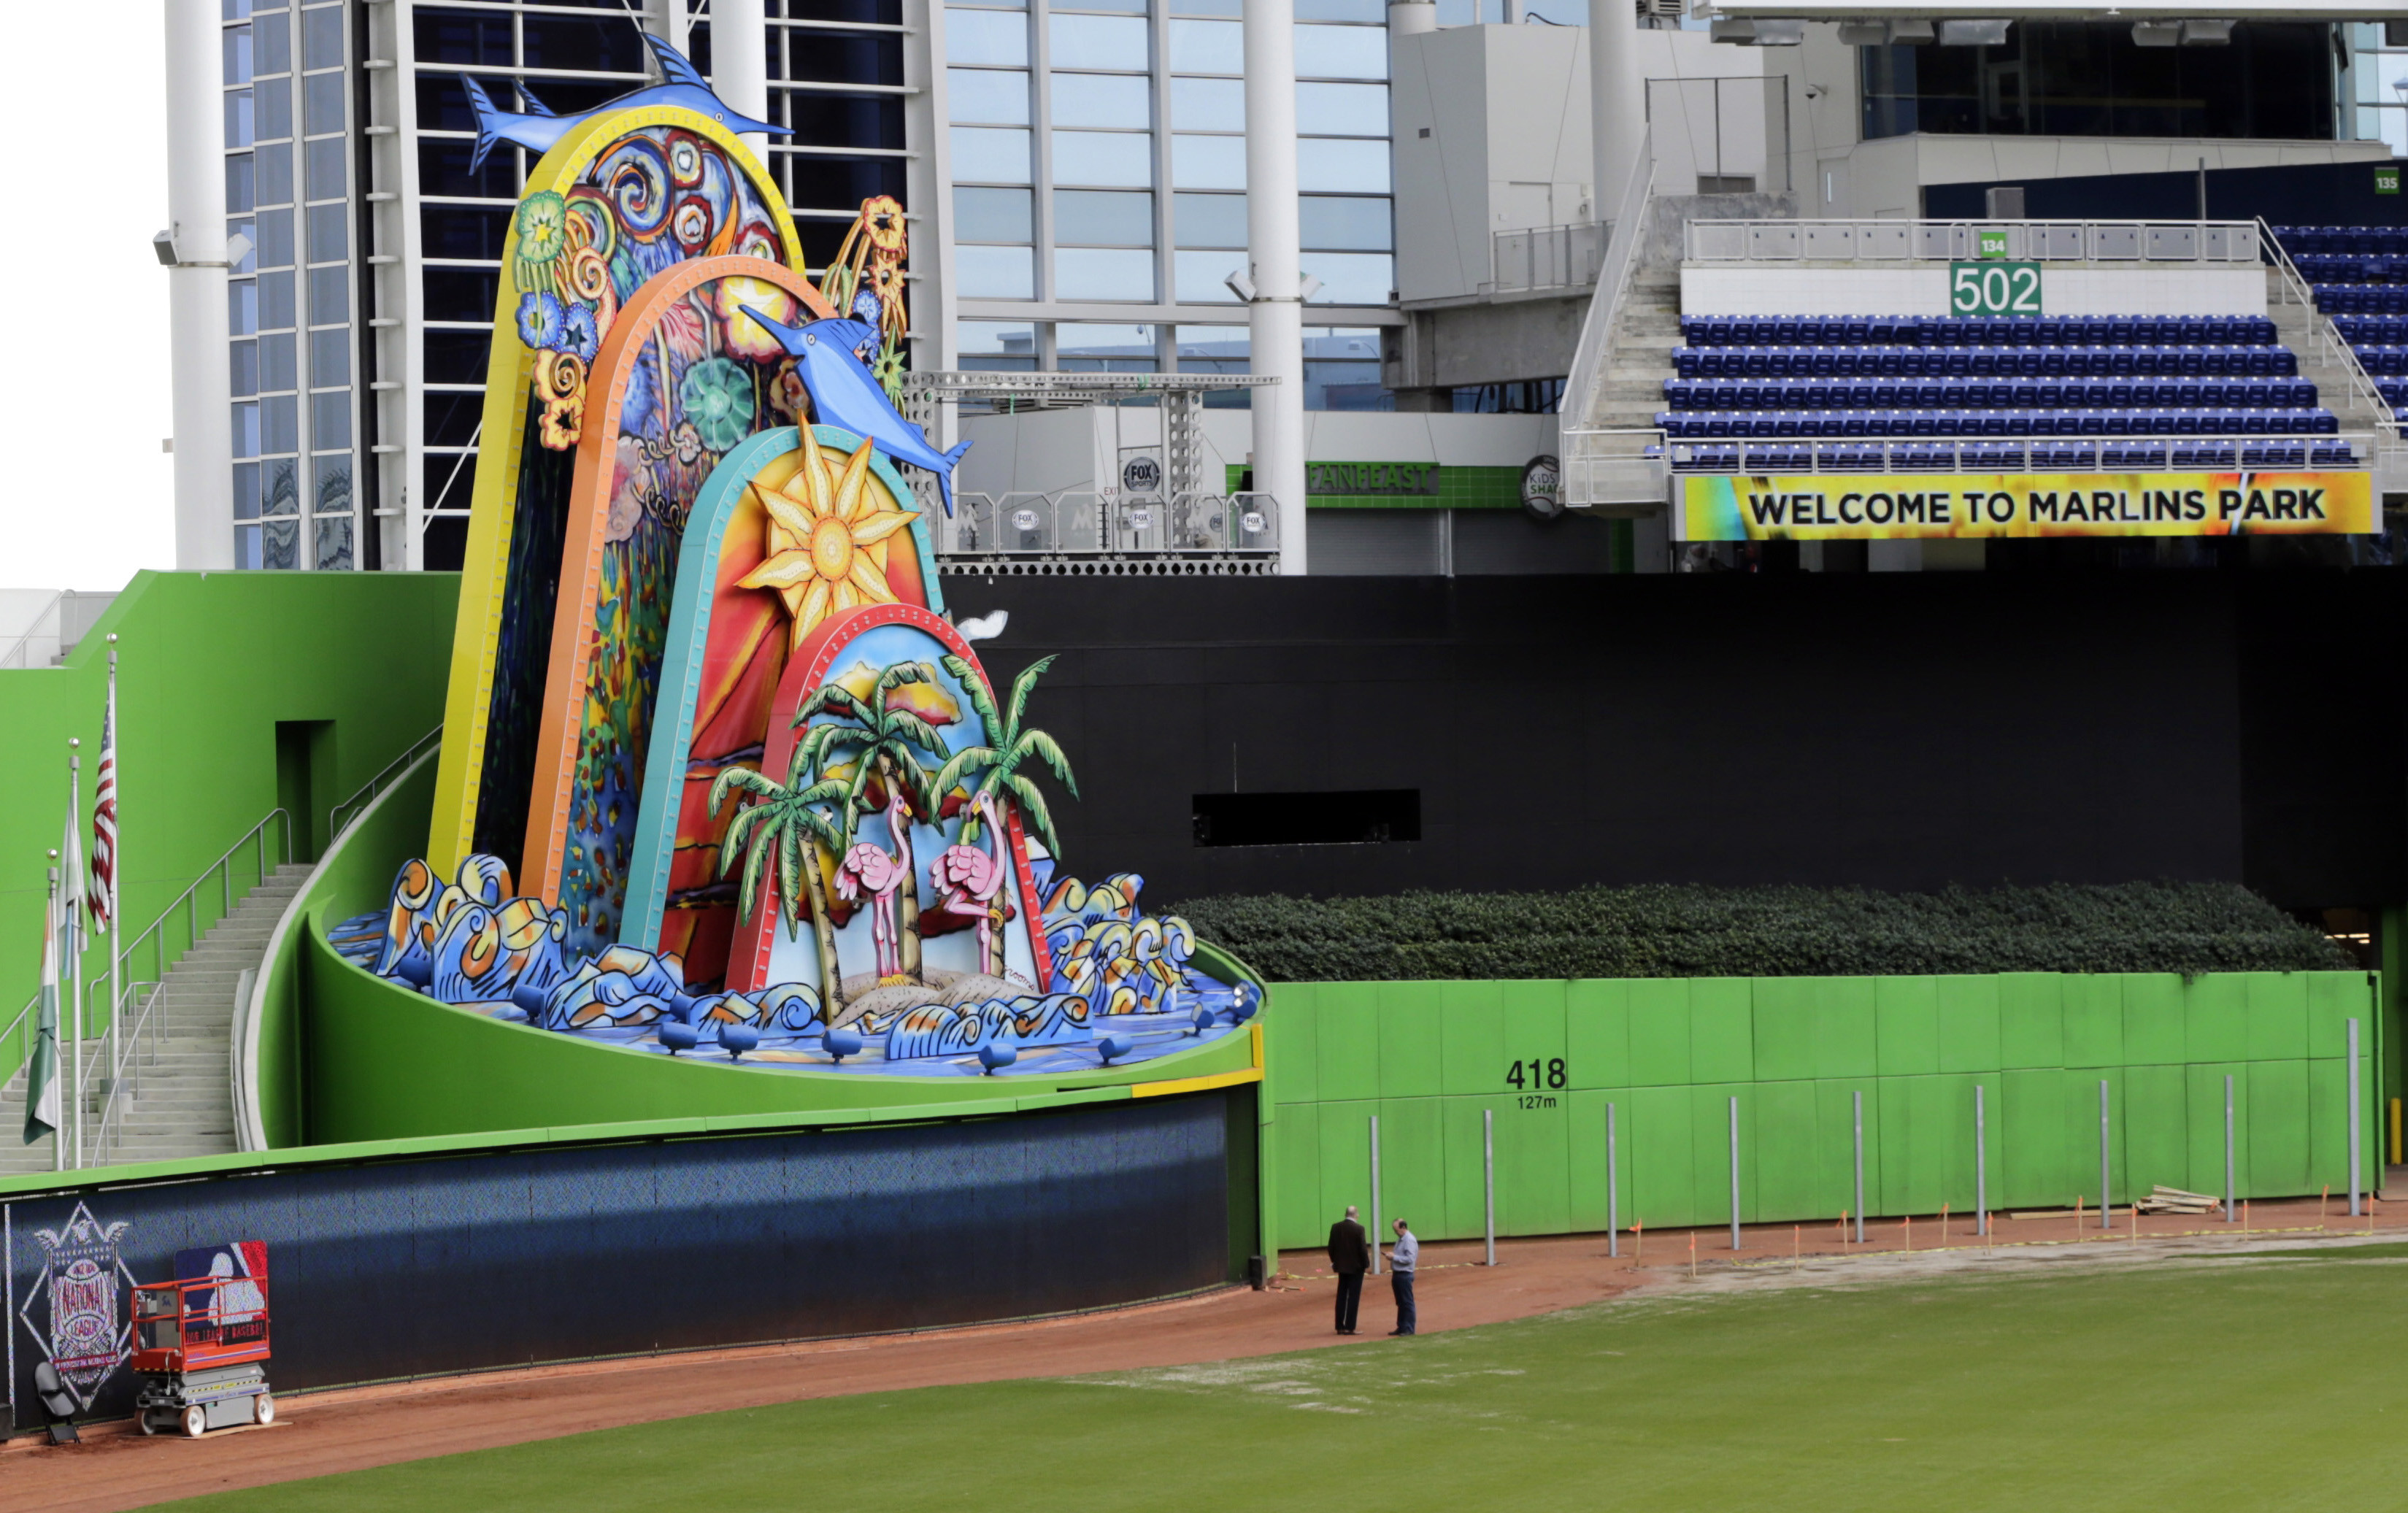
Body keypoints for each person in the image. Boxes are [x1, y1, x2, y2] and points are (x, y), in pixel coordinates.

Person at [1327, 1204, 1369, 1334]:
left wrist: (1335, 1262)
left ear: (1346, 1214)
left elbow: (1331, 1247)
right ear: (1356, 1215)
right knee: (1353, 1298)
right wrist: (1366, 1264)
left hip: (1341, 1268)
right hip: (1356, 1269)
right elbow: (1362, 1249)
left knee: (1341, 1296)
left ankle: (1339, 1326)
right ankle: (1350, 1327)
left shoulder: (1336, 1227)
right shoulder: (1359, 1229)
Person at [1387, 1217, 1418, 1336]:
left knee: (1407, 1302)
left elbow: (1410, 1259)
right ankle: (1402, 1326)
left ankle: (1409, 1328)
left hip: (1405, 1274)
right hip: (1398, 1274)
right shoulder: (1401, 1239)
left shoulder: (1409, 1240)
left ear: (1403, 1228)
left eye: (1396, 1230)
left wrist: (1394, 1257)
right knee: (1401, 1302)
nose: (1395, 1232)